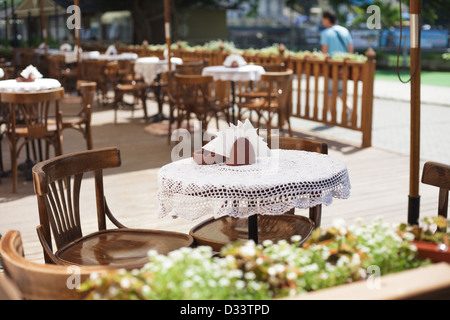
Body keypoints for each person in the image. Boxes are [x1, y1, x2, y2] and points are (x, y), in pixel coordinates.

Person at [320, 10, 354, 122]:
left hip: (331, 67)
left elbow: (324, 52)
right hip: (344, 66)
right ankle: (349, 107)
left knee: (330, 93)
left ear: (326, 19)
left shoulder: (326, 33)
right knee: (341, 90)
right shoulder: (345, 31)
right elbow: (351, 49)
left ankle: (332, 117)